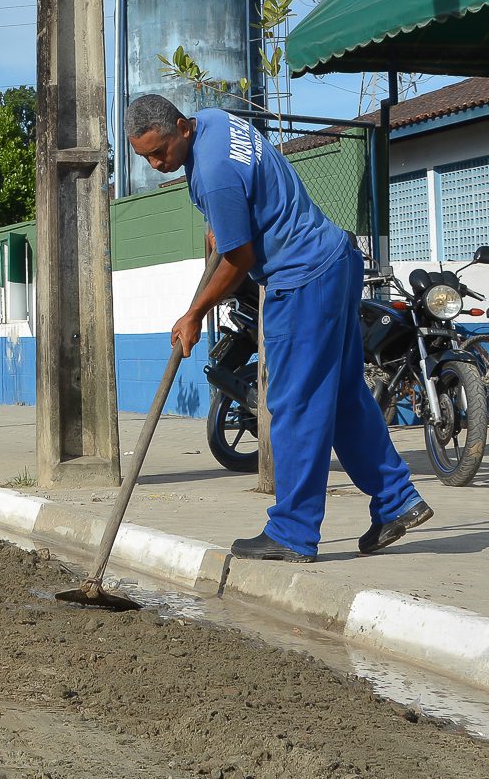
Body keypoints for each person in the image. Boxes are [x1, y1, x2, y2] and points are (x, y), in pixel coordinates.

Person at [126, 93, 430, 562]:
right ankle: (396, 501)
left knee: (293, 405)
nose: (156, 163)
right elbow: (249, 199)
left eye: (160, 151)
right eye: (145, 156)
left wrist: (194, 314)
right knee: (344, 396)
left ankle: (293, 531)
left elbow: (240, 259)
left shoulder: (212, 172)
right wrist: (221, 225)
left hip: (302, 280)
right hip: (335, 259)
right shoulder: (215, 122)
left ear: (182, 128)